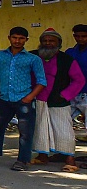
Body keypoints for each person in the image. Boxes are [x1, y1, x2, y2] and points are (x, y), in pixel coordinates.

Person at [0, 27, 46, 171]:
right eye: (14, 38)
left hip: (23, 99)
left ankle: (22, 160)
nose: (17, 41)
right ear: (9, 38)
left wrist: (29, 98)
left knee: (26, 132)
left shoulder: (33, 59)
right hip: (4, 99)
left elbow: (42, 81)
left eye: (21, 38)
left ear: (26, 40)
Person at [30, 29, 84, 172]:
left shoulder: (66, 60)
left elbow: (79, 80)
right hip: (38, 99)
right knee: (40, 129)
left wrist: (65, 94)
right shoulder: (33, 56)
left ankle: (70, 160)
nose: (48, 43)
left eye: (51, 41)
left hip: (59, 101)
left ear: (58, 43)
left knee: (64, 130)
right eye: (44, 41)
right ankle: (42, 156)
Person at [66, 24, 87, 132]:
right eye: (77, 36)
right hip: (73, 93)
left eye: (83, 36)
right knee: (63, 121)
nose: (80, 39)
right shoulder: (70, 52)